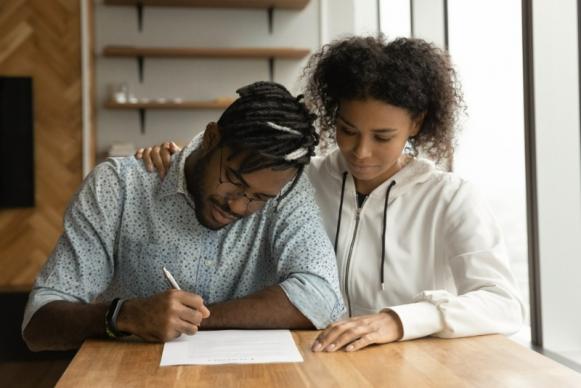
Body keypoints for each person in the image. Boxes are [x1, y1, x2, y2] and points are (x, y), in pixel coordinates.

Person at [137, 36, 526, 353]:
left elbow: (503, 305)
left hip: (413, 365)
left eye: (383, 137)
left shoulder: (451, 198)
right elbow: (232, 166)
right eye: (348, 130)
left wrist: (398, 320)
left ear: (417, 123)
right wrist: (180, 158)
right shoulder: (301, 180)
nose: (361, 152)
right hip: (309, 360)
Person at [22, 81, 345, 351]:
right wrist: (124, 316)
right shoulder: (119, 187)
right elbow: (38, 325)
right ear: (211, 138)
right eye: (234, 180)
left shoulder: (287, 192)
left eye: (259, 198)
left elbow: (319, 296)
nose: (239, 206)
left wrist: (197, 319)